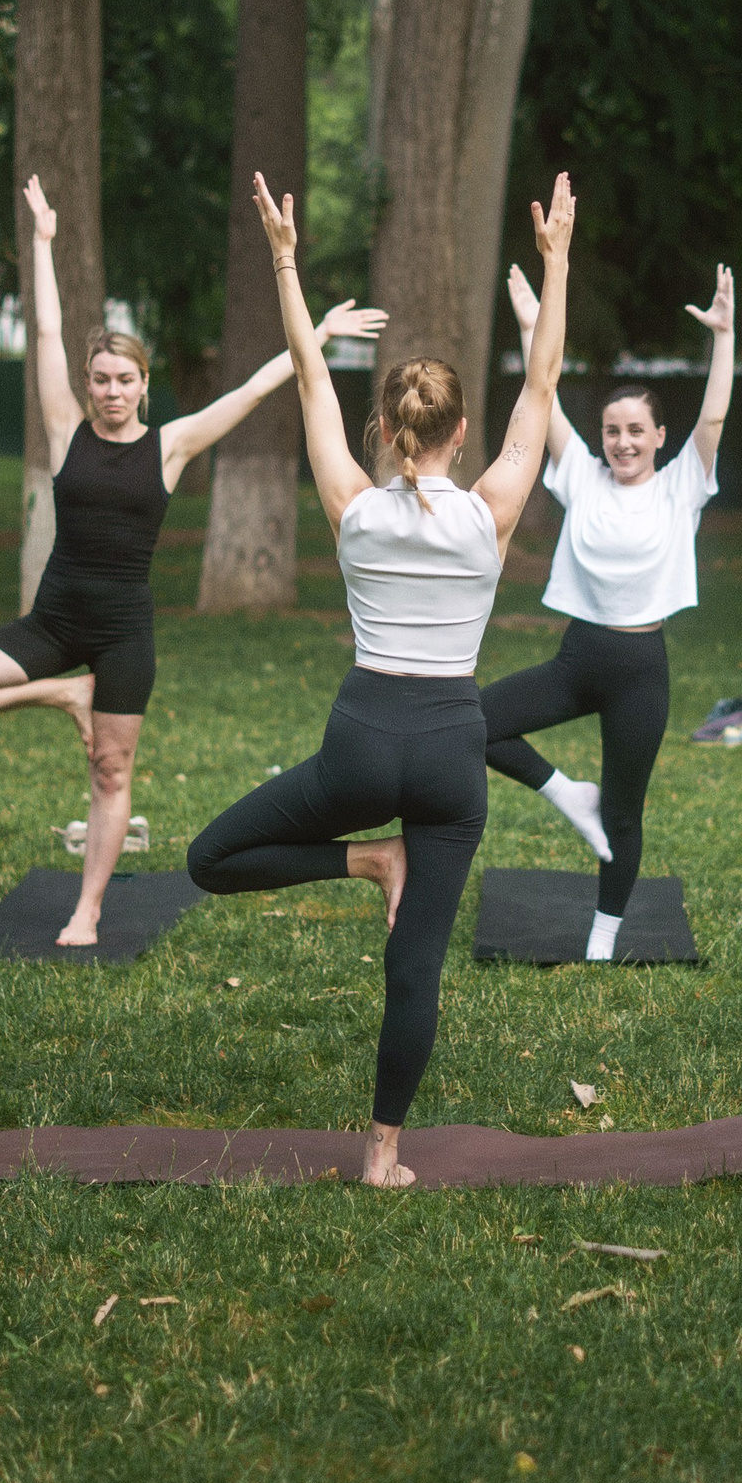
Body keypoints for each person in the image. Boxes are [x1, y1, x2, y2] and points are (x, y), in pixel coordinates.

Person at [189, 169, 576, 1188]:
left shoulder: (352, 507)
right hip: (451, 750)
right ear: (458, 434)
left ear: (390, 433)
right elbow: (541, 385)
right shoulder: (491, 508)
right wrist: (557, 261)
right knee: (416, 969)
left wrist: (284, 256)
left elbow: (312, 379)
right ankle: (383, 1156)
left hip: (360, 741)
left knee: (211, 857)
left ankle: (364, 864)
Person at [0, 175, 385, 947]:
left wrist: (320, 334)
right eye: (99, 378)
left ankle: (88, 908)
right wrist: (41, 240)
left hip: (125, 633)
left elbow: (257, 388)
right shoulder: (67, 424)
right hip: (53, 623)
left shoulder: (172, 444)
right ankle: (62, 696)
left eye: (123, 379)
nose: (109, 391)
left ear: (144, 385)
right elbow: (43, 333)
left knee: (111, 772)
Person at [480, 261, 735, 959]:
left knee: (625, 810)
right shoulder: (582, 478)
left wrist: (724, 334)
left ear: (658, 437)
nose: (622, 441)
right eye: (613, 430)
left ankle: (604, 935)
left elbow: (713, 414)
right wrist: (534, 321)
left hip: (640, 669)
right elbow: (545, 388)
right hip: (578, 659)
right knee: (472, 721)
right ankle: (567, 793)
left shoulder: (683, 485)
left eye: (635, 431)